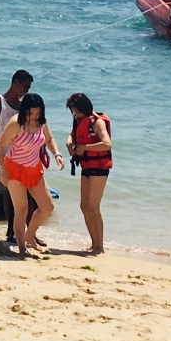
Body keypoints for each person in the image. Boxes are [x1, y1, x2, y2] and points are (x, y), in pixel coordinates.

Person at [0, 95, 58, 257]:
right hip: (14, 169)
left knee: (47, 206)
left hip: (34, 168)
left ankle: (30, 234)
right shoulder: (16, 124)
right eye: (31, 114)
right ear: (24, 111)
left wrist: (57, 154)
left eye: (37, 113)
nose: (33, 117)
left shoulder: (41, 123)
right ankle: (22, 248)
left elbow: (49, 139)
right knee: (21, 209)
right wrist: (3, 170)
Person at [0, 70, 35, 248]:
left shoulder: (24, 106)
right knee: (8, 196)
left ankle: (28, 233)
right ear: (15, 82)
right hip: (4, 155)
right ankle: (10, 231)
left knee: (27, 197)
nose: (26, 91)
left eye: (28, 88)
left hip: (23, 156)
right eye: (24, 87)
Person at [65, 93, 112, 255]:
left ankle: (100, 246)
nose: (75, 114)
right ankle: (93, 243)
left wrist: (85, 148)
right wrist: (69, 143)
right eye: (73, 112)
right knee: (84, 206)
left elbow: (106, 144)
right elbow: (72, 134)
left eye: (77, 111)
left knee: (93, 206)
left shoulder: (97, 122)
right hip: (86, 166)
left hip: (100, 167)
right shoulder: (79, 121)